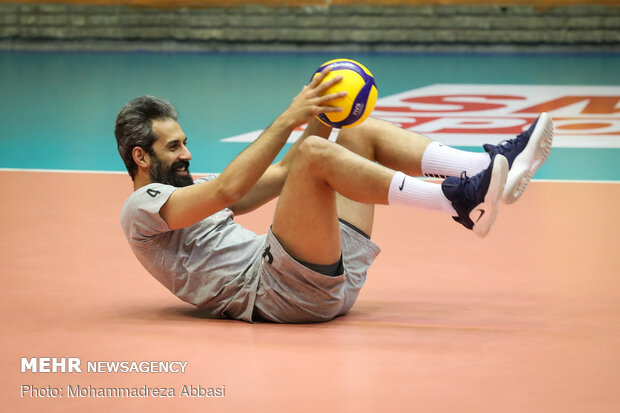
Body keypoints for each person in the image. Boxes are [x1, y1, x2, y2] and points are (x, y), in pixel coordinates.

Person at [115, 67, 554, 323]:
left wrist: (324, 110)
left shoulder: (189, 189)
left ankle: (484, 166)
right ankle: (458, 201)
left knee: (356, 133)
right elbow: (232, 187)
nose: (187, 153)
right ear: (140, 156)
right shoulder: (142, 209)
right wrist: (289, 119)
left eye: (184, 141)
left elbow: (286, 173)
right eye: (173, 146)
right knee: (313, 154)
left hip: (322, 275)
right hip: (277, 293)